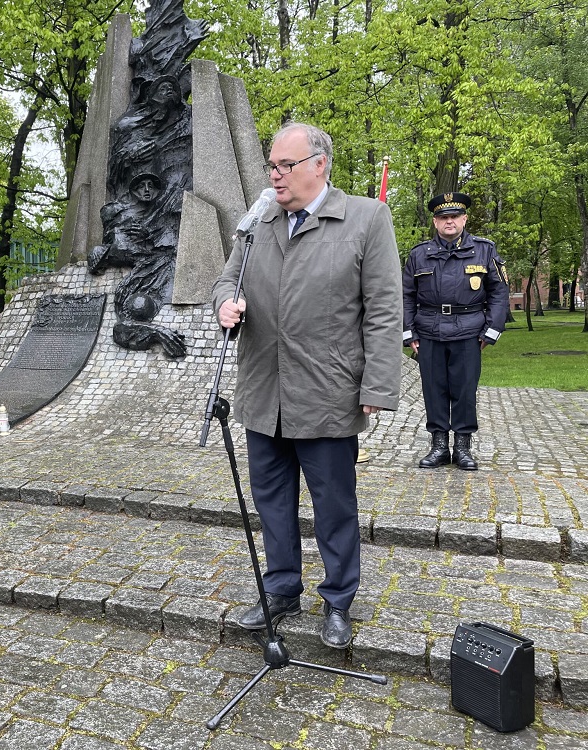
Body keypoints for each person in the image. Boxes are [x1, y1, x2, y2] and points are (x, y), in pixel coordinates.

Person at [212, 122, 402, 649]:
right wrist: (224, 303)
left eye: (285, 166)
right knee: (272, 499)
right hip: (263, 391)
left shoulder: (366, 218)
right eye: (271, 165)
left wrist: (378, 385)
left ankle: (338, 599)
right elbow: (227, 279)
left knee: (333, 503)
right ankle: (281, 589)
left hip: (328, 392)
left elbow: (384, 310)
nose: (274, 175)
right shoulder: (258, 221)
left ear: (319, 164)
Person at [403, 192, 508, 471]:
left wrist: (492, 330)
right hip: (429, 331)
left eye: (454, 216)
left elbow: (499, 292)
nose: (448, 222)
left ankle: (462, 447)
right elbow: (405, 295)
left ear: (464, 218)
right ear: (435, 222)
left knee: (464, 390)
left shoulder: (484, 250)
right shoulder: (418, 254)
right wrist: (408, 332)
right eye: (442, 217)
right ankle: (439, 447)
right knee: (433, 389)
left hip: (468, 331)